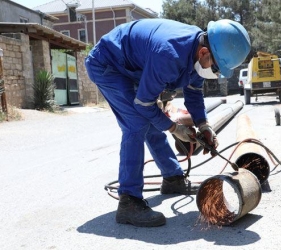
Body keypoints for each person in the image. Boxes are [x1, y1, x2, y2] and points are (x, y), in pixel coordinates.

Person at [85, 18, 250, 227]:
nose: (215, 74)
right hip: (107, 65)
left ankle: (172, 179)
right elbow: (144, 104)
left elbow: (194, 93)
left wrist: (204, 126)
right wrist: (175, 128)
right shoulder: (169, 54)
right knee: (136, 124)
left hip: (130, 66)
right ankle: (129, 201)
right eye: (216, 68)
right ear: (203, 52)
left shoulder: (198, 54)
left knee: (153, 124)